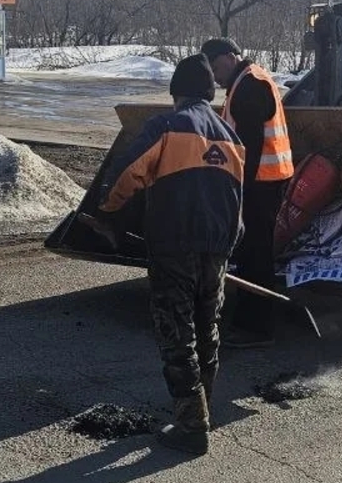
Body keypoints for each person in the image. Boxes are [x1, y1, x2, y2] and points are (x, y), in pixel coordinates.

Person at [94, 54, 244, 455]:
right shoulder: (231, 138)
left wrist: (108, 210)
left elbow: (129, 175)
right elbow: (238, 199)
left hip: (174, 242)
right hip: (218, 246)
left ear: (176, 92)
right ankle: (202, 406)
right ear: (209, 93)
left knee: (177, 330)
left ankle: (192, 425)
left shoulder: (167, 126)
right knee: (207, 326)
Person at [199, 37, 295, 349]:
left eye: (216, 68)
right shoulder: (248, 80)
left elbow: (249, 150)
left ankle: (257, 327)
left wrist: (236, 192)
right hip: (264, 181)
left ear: (229, 57)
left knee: (255, 254)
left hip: (259, 184)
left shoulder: (250, 86)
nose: (215, 76)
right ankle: (248, 318)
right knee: (253, 252)